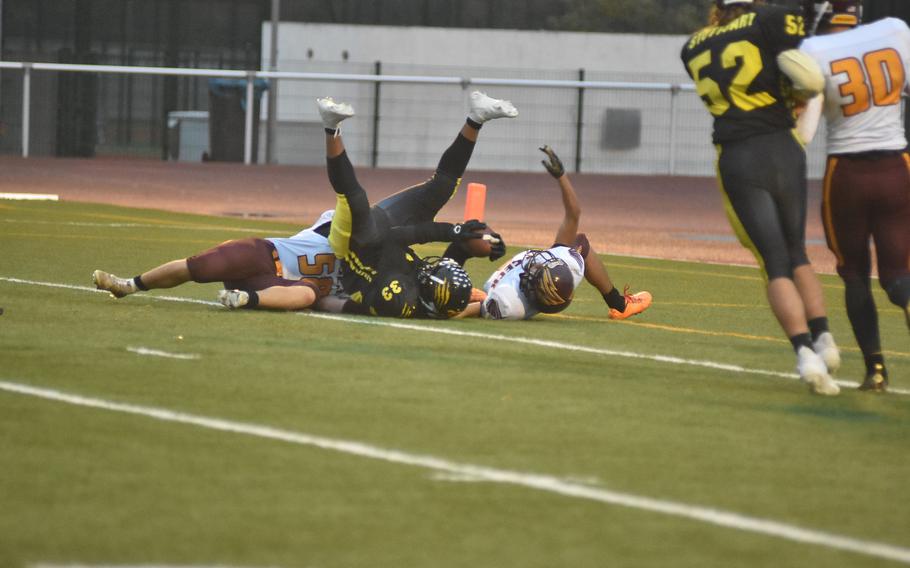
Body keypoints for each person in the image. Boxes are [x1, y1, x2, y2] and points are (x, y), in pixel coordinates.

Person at [680, 0, 842, 395]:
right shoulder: (769, 21)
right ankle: (824, 337)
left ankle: (805, 354)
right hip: (782, 147)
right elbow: (803, 74)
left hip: (739, 153)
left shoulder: (693, 46)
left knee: (774, 263)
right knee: (798, 252)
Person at [319, 91, 514, 319]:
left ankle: (331, 127)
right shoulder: (432, 292)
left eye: (432, 271)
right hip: (384, 233)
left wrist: (453, 231)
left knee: (356, 198)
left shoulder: (397, 292)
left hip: (358, 245)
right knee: (441, 187)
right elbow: (455, 256)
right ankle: (476, 118)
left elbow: (397, 237)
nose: (430, 267)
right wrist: (484, 242)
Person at [799, 1, 910, 392]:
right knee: (900, 280)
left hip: (847, 173)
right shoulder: (896, 30)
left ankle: (876, 371)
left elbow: (805, 131)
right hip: (897, 167)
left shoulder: (813, 51)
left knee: (855, 275)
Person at [454, 146, 652, 321]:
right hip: (518, 289)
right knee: (580, 241)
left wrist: (453, 301)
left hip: (493, 290)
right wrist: (561, 176)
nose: (535, 263)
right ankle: (619, 304)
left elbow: (477, 308)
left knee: (470, 251)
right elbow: (573, 215)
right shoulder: (569, 268)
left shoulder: (509, 304)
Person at [92, 210, 341, 310]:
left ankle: (243, 299)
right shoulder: (337, 222)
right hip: (264, 255)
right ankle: (129, 285)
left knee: (310, 293)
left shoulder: (374, 270)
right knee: (199, 267)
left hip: (278, 288)